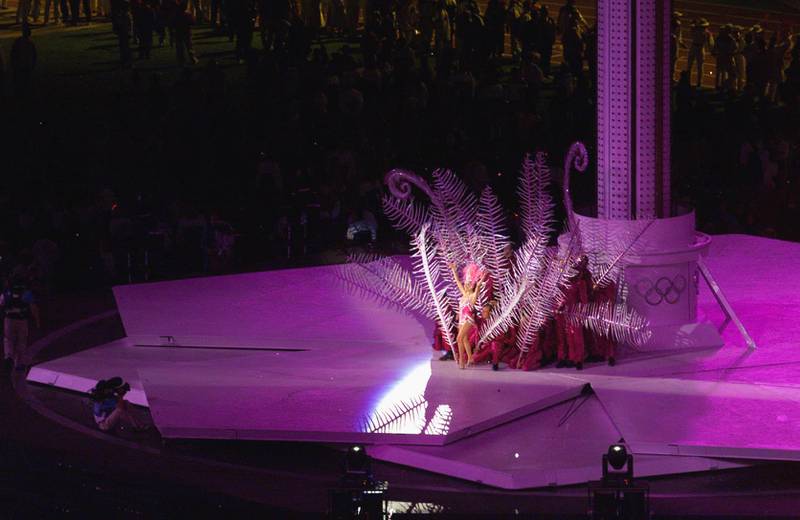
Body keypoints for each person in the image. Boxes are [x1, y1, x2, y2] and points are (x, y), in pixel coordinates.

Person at [1, 277, 40, 372]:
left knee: (8, 339)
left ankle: (8, 356)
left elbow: (1, 304)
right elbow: (33, 308)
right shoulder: (26, 293)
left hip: (9, 319)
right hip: (22, 320)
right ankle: (19, 364)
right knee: (21, 341)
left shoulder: (6, 293)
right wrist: (37, 320)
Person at [449, 262, 482, 369]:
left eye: (468, 283)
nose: (465, 285)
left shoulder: (472, 296)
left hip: (468, 318)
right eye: (465, 283)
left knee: (459, 338)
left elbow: (477, 290)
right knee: (464, 339)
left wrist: (479, 284)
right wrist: (454, 270)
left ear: (471, 285)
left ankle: (462, 360)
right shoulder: (464, 294)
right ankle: (470, 357)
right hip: (462, 319)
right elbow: (458, 281)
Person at [10, 25, 37, 101]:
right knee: (25, 83)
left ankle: (20, 97)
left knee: (21, 83)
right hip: (26, 67)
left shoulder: (18, 42)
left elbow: (13, 54)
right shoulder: (30, 43)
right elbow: (34, 56)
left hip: (21, 66)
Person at [686, 18, 712, 88]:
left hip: (697, 47)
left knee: (697, 66)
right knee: (695, 66)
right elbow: (710, 43)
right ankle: (696, 82)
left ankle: (697, 82)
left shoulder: (703, 32)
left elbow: (710, 43)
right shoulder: (707, 32)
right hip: (698, 47)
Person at [174, 1, 199, 66]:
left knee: (180, 47)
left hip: (179, 32)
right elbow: (193, 22)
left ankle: (181, 61)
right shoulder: (188, 14)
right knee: (189, 47)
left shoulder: (176, 14)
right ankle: (192, 59)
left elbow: (173, 23)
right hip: (186, 32)